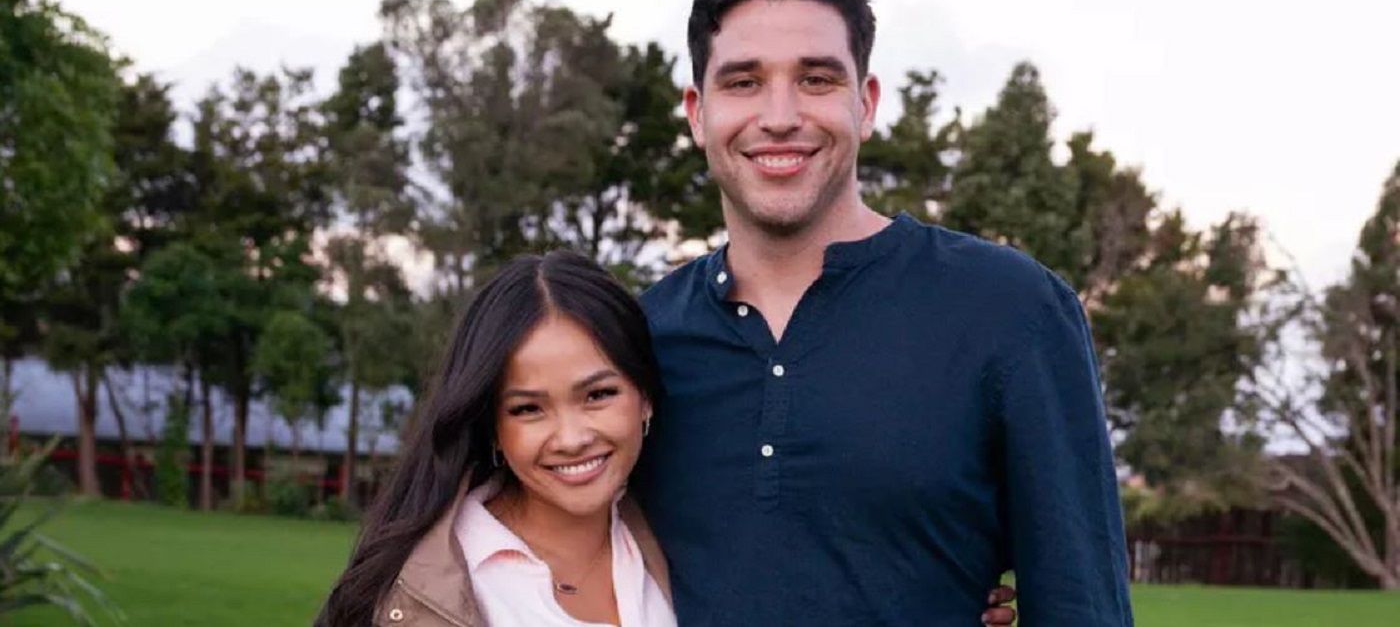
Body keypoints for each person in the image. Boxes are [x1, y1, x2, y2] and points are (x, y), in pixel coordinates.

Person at [634, 0, 1134, 626]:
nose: (779, 115)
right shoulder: (637, 341)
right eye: (743, 81)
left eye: (817, 79)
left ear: (866, 103)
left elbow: (1081, 603)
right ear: (697, 112)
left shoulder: (1010, 310)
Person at [314, 251, 1021, 625]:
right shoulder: (426, 587)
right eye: (528, 409)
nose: (571, 436)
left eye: (598, 395)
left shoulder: (677, 539)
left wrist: (934, 600)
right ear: (490, 424)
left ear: (644, 395)